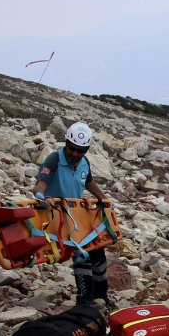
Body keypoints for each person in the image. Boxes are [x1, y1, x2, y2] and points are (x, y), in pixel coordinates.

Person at [33, 121, 114, 308]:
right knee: (82, 255)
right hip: (57, 218)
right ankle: (85, 299)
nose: (76, 154)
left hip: (76, 215)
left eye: (81, 151)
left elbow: (88, 182)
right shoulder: (54, 159)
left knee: (98, 252)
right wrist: (39, 194)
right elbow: (42, 181)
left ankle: (102, 296)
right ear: (66, 143)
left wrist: (104, 198)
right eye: (72, 149)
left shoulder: (84, 162)